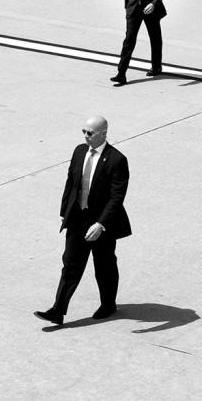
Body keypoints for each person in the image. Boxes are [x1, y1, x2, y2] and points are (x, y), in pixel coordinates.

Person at [35, 116, 132, 328]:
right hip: (78, 219)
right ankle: (57, 311)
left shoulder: (117, 160)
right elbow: (71, 182)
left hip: (101, 223)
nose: (86, 136)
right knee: (70, 264)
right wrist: (64, 212)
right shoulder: (79, 151)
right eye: (84, 132)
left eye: (91, 133)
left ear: (104, 133)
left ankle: (108, 304)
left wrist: (101, 224)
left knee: (104, 266)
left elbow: (117, 197)